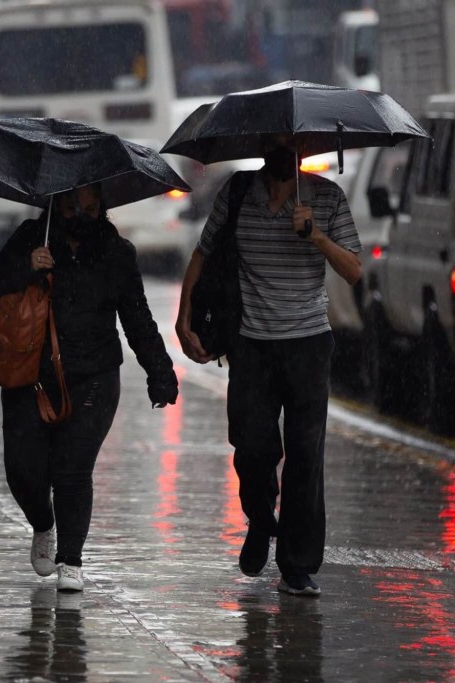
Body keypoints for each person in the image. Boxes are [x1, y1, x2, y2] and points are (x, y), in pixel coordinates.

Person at [175, 135, 362, 597]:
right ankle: (261, 518)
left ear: (300, 151)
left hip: (308, 346)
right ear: (263, 149)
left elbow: (355, 270)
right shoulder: (238, 192)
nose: (284, 154)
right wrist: (182, 317)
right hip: (251, 347)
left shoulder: (327, 197)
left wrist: (315, 234)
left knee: (305, 455)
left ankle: (297, 565)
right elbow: (203, 253)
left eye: (291, 147)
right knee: (253, 449)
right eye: (275, 146)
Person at [0, 184, 179, 592]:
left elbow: (137, 318)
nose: (81, 213)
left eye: (90, 205)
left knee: (72, 468)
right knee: (23, 471)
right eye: (72, 204)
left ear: (101, 206)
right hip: (29, 375)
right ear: (57, 203)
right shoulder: (31, 237)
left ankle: (71, 560)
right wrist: (26, 266)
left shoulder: (116, 252)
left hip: (94, 376)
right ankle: (43, 522)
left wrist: (160, 372)